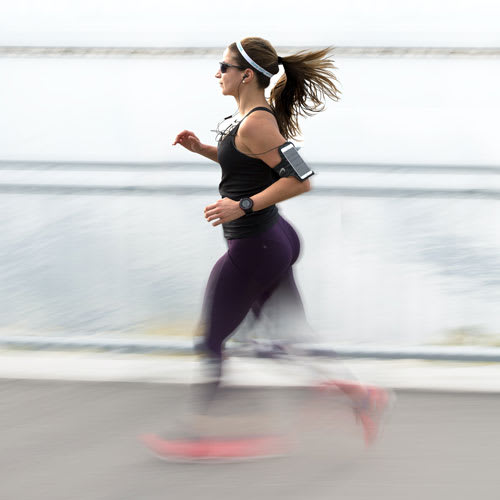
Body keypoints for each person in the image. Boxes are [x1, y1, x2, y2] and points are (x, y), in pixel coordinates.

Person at [142, 37, 390, 461]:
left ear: (246, 75)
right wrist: (203, 149)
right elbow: (248, 162)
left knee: (212, 341)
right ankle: (361, 395)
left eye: (223, 66)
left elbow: (301, 179)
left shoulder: (258, 122)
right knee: (289, 338)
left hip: (256, 245)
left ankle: (197, 436)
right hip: (273, 240)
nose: (217, 73)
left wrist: (242, 206)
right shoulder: (249, 120)